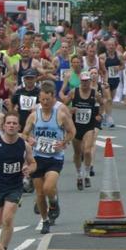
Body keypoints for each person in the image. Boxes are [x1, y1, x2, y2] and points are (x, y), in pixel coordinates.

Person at [0, 114, 36, 250]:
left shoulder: (24, 145)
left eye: (14, 123)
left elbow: (33, 163)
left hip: (15, 186)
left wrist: (29, 169)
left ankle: (2, 249)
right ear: (3, 126)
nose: (11, 125)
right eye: (8, 123)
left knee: (8, 219)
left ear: (19, 127)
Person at [23, 83, 75, 234]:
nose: (45, 103)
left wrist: (64, 142)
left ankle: (53, 203)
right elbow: (24, 133)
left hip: (55, 158)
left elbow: (72, 131)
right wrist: (29, 139)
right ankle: (45, 220)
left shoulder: (60, 115)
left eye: (48, 100)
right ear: (39, 98)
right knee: (39, 193)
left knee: (48, 188)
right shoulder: (34, 115)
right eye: (42, 100)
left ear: (53, 98)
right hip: (38, 157)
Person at [64, 70, 102, 190]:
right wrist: (70, 110)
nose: (85, 83)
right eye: (83, 81)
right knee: (77, 153)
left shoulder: (94, 93)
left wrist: (100, 115)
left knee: (87, 151)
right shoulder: (73, 92)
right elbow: (63, 107)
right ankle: (79, 175)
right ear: (80, 81)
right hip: (76, 127)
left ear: (90, 81)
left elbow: (102, 103)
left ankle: (87, 175)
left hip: (89, 127)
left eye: (87, 81)